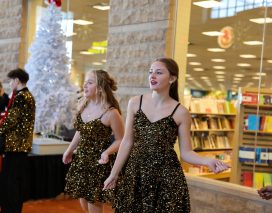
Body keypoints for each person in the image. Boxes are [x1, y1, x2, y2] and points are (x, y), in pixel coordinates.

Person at [103, 58, 230, 212]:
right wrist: (114, 174)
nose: (152, 76)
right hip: (136, 175)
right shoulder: (135, 103)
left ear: (172, 78)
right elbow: (127, 142)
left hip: (166, 178)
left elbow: (186, 152)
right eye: (150, 72)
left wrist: (207, 161)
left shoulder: (181, 112)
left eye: (159, 72)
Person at [63, 70, 124, 213]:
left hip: (98, 164)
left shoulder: (111, 112)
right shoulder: (84, 106)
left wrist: (107, 152)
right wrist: (70, 150)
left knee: (93, 203)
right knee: (83, 202)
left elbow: (121, 139)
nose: (85, 85)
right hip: (82, 161)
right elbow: (80, 131)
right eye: (85, 82)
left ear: (101, 88)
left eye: (90, 82)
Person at [0, 68, 35, 213]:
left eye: (11, 81)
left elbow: (11, 119)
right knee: (14, 181)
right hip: (19, 146)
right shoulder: (27, 96)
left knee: (11, 182)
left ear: (17, 81)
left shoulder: (21, 97)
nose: (10, 84)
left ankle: (10, 210)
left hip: (16, 146)